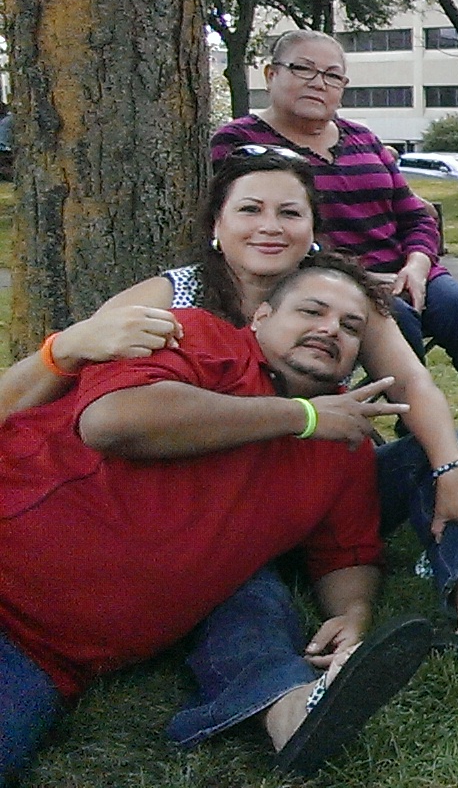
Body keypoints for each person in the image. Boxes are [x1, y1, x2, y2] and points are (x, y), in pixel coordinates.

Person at [0, 152, 458, 683]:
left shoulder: (339, 296)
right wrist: (67, 347)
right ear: (217, 226)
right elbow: (95, 408)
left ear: (312, 230)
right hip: (193, 500)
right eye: (250, 209)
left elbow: (413, 384)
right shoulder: (171, 301)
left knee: (440, 449)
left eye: (289, 213)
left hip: (302, 486)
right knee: (249, 598)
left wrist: (450, 468)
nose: (270, 227)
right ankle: (281, 693)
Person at [0, 259, 428, 780]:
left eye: (350, 326)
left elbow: (345, 551)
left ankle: (293, 705)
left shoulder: (343, 444)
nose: (330, 329)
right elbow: (112, 420)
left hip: (48, 656)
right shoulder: (198, 338)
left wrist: (353, 611)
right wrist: (302, 417)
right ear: (261, 318)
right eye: (311, 311)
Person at [210, 29, 458, 459]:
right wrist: (359, 279)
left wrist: (417, 265)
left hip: (406, 271)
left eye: (332, 76)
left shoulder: (363, 139)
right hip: (326, 280)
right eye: (303, 69)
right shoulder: (240, 142)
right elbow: (252, 226)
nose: (318, 83)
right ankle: (423, 445)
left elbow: (416, 215)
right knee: (398, 318)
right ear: (270, 74)